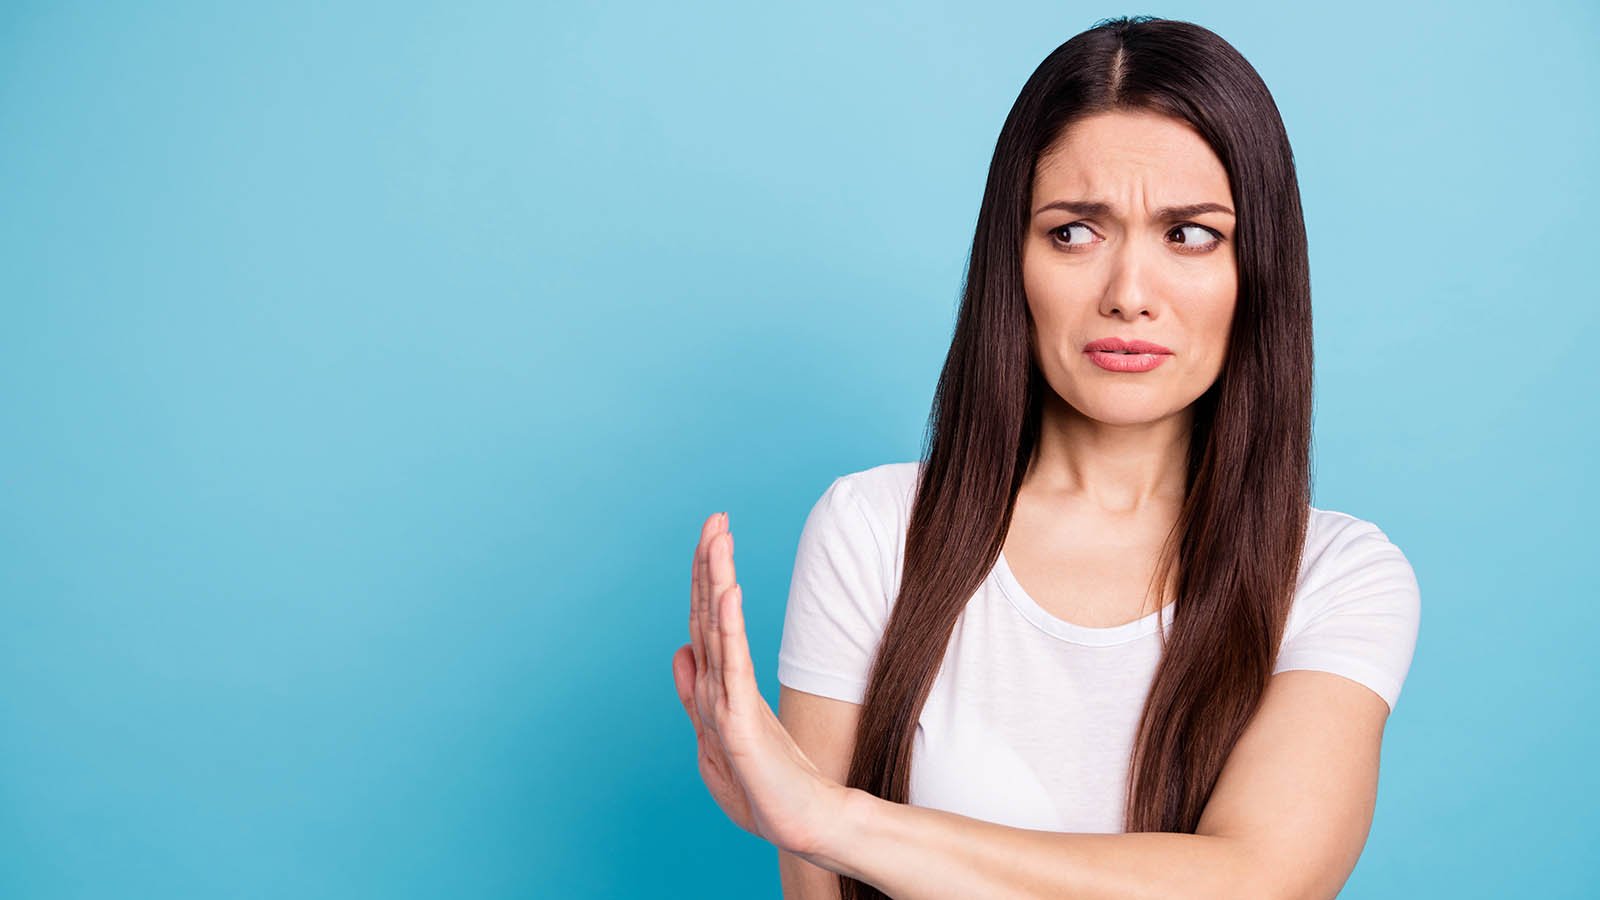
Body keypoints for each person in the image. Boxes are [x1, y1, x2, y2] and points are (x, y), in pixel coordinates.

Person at [672, 15, 1420, 900]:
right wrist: (815, 831)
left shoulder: (1337, 575)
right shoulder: (874, 530)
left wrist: (836, 819)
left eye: (1190, 234)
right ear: (1012, 259)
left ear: (1258, 270)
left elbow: (1259, 881)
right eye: (1074, 232)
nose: (1129, 295)